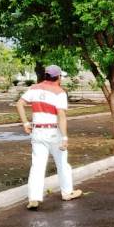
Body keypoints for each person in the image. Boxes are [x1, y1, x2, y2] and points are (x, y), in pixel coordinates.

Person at [16, 65, 83, 210]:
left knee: (37, 166)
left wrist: (25, 123)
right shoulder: (59, 92)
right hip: (53, 132)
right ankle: (67, 192)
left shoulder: (34, 88)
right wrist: (65, 137)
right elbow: (61, 116)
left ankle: (34, 198)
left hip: (37, 132)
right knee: (62, 163)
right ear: (58, 77)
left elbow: (20, 104)